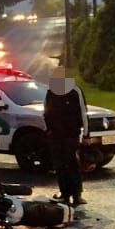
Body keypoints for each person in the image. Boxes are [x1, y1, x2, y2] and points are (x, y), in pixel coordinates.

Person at [44, 68, 89, 206]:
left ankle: (76, 194)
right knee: (59, 165)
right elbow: (46, 111)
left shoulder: (75, 91)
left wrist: (86, 134)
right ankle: (64, 193)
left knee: (72, 164)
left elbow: (83, 113)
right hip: (55, 135)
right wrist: (49, 130)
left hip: (71, 134)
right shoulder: (51, 92)